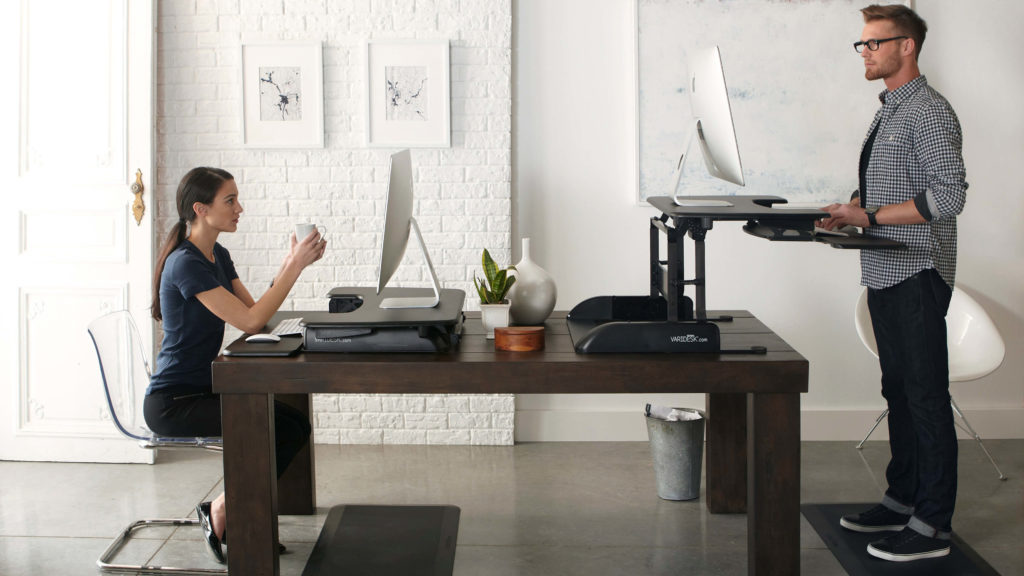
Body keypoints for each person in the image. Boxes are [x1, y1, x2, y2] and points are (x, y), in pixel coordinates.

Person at [819, 4, 968, 562]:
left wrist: (872, 218)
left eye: (874, 44)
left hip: (918, 272)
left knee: (926, 399)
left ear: (907, 46)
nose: (865, 53)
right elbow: (894, 186)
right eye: (861, 45)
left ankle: (932, 526)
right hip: (884, 270)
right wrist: (852, 209)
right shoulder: (890, 110)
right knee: (899, 394)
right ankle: (902, 498)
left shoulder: (928, 111)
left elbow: (946, 199)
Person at [144, 167, 326, 563]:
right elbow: (250, 322)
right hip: (174, 402)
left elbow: (251, 309)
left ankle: (229, 512)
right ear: (201, 209)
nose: (239, 208)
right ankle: (226, 513)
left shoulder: (215, 255)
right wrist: (295, 266)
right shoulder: (185, 264)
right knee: (270, 428)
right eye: (230, 200)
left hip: (204, 388)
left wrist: (290, 264)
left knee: (294, 425)